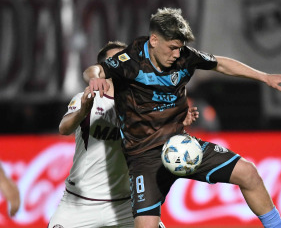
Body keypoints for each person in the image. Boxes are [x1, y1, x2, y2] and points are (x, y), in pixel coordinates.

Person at [84, 8, 281, 228]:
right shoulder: (130, 60)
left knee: (249, 173)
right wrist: (94, 79)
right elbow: (94, 69)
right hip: (144, 157)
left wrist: (264, 76)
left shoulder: (185, 57)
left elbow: (221, 63)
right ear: (154, 40)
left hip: (181, 146)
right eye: (173, 48)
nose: (177, 54)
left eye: (180, 47)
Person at [49, 41, 199, 228]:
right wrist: (82, 112)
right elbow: (64, 128)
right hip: (80, 203)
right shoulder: (88, 98)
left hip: (125, 204)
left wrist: (176, 125)